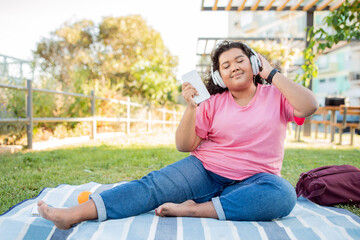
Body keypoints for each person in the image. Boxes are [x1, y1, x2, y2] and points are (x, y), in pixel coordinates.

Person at [38, 41, 318, 229]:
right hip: (206, 168)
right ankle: (75, 215)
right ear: (220, 76)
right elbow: (183, 146)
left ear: (253, 63)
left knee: (283, 195)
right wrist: (191, 107)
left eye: (240, 60)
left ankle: (196, 209)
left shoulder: (277, 95)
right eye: (225, 65)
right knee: (152, 186)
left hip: (254, 180)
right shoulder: (213, 103)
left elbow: (310, 105)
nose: (234, 66)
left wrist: (271, 73)